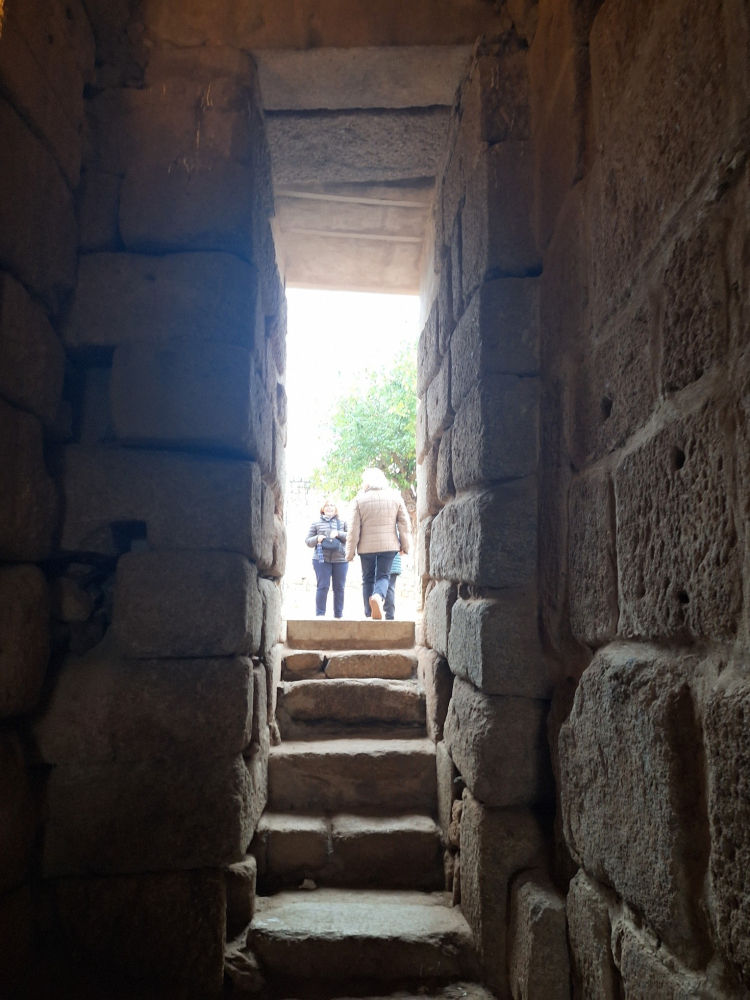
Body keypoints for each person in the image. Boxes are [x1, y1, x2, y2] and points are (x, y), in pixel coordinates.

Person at [345, 468, 411, 620]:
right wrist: (405, 546)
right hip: (389, 546)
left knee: (367, 578)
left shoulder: (359, 500)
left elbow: (353, 529)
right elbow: (404, 524)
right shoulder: (395, 497)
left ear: (367, 482)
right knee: (383, 576)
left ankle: (369, 614)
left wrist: (349, 553)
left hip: (366, 547)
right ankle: (377, 596)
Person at [305, 499, 348, 618]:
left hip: (341, 560)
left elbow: (350, 537)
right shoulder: (316, 523)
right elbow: (308, 541)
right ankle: (320, 615)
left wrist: (338, 533)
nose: (330, 507)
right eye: (327, 505)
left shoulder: (343, 522)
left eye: (332, 505)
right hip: (321, 559)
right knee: (323, 586)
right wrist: (317, 538)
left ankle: (338, 615)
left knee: (339, 588)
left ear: (336, 508)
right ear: (323, 508)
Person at [384, 550, 402, 621]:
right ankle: (390, 615)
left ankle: (373, 612)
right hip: (395, 560)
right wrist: (405, 548)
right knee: (390, 588)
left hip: (383, 561)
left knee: (380, 586)